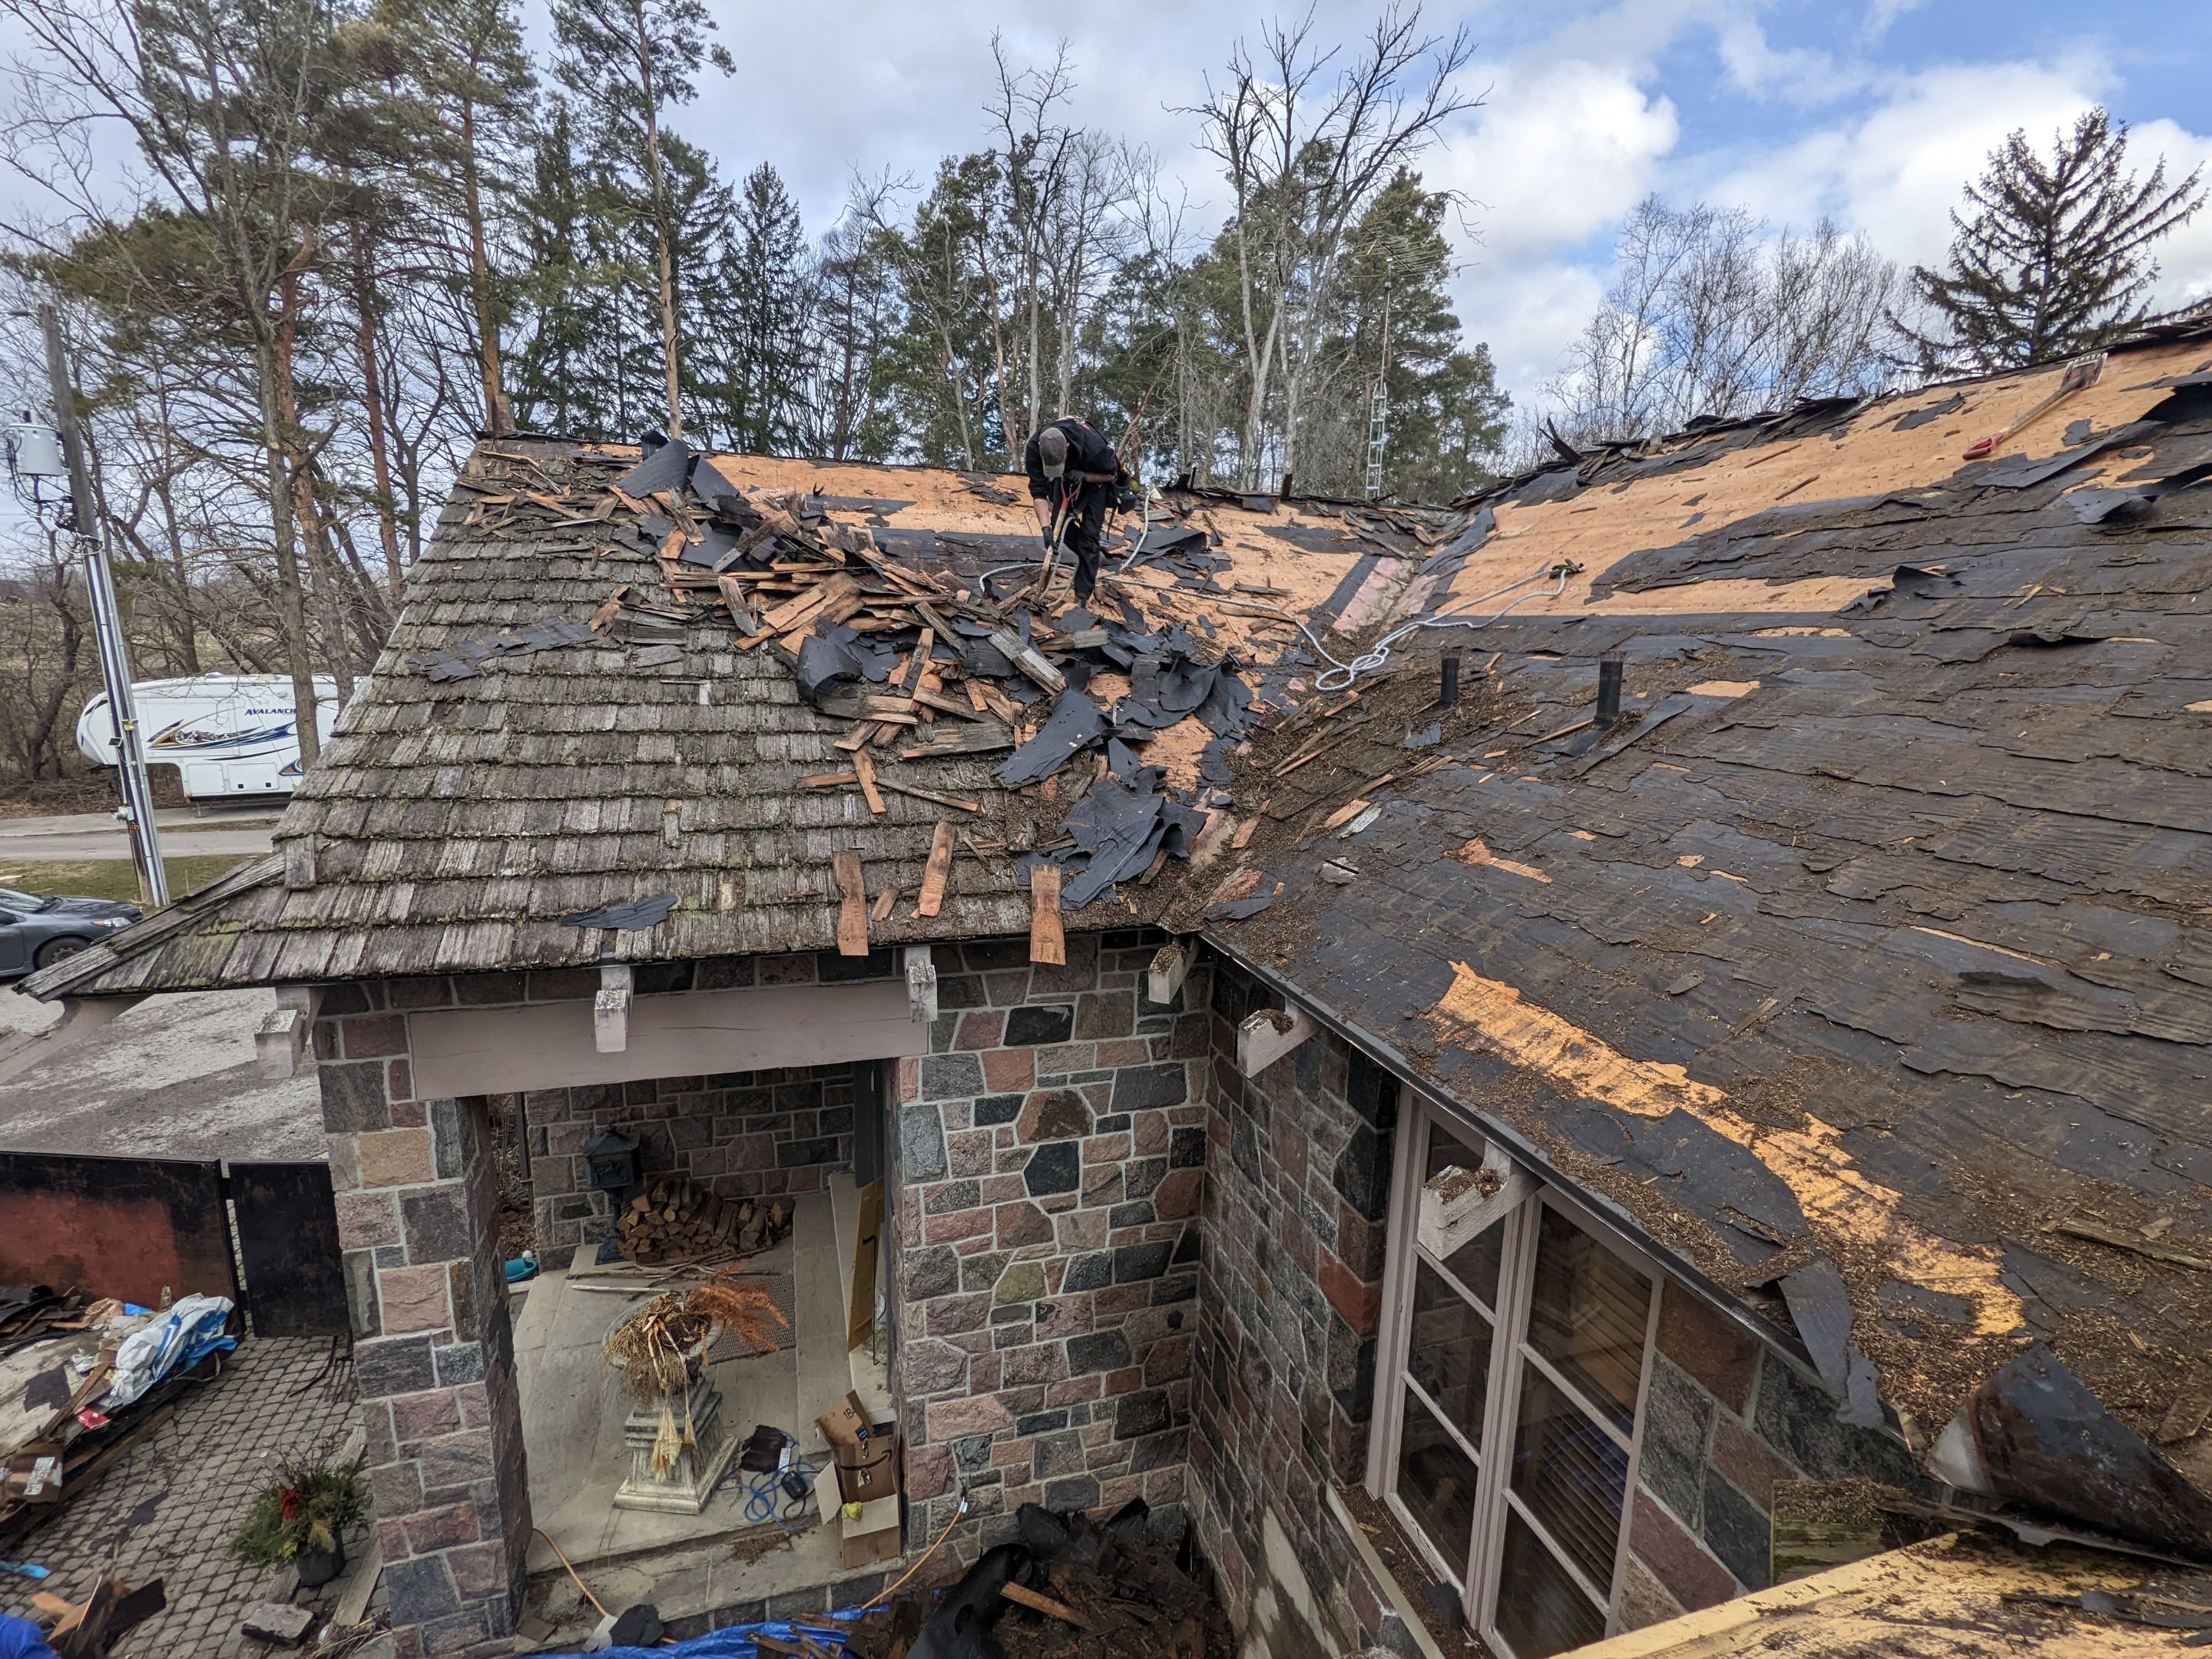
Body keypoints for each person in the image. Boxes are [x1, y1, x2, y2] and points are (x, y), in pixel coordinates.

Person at [1024, 416, 1129, 604]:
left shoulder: (1095, 449)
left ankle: (1082, 595)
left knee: (1089, 537)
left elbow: (1110, 474)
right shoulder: (1034, 447)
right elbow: (1038, 492)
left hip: (1096, 479)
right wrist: (1046, 529)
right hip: (1064, 477)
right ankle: (1093, 556)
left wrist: (1085, 476)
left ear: (1067, 448)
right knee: (1058, 524)